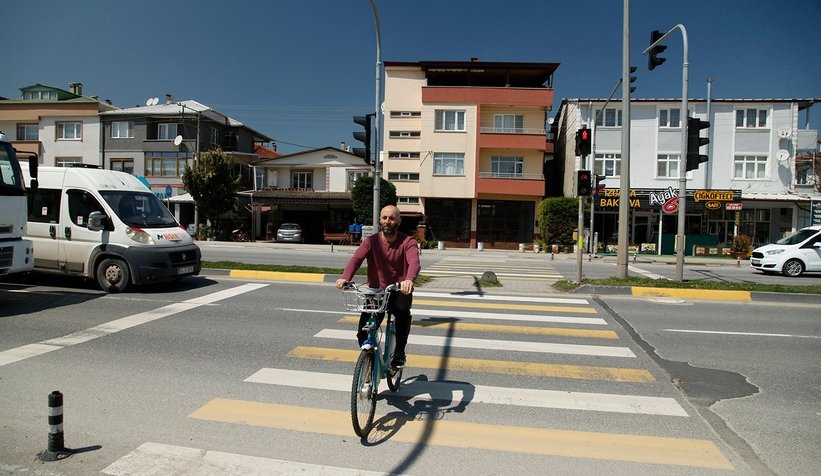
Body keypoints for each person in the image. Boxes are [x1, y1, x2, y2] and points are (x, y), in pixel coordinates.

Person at [336, 205, 420, 368]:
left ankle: (399, 353)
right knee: (363, 332)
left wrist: (409, 280)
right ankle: (369, 358)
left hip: (399, 289)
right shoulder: (371, 241)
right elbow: (356, 260)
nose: (387, 221)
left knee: (402, 314)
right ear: (380, 220)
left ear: (399, 221)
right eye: (384, 218)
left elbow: (414, 263)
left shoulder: (408, 242)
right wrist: (345, 278)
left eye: (392, 218)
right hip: (376, 292)